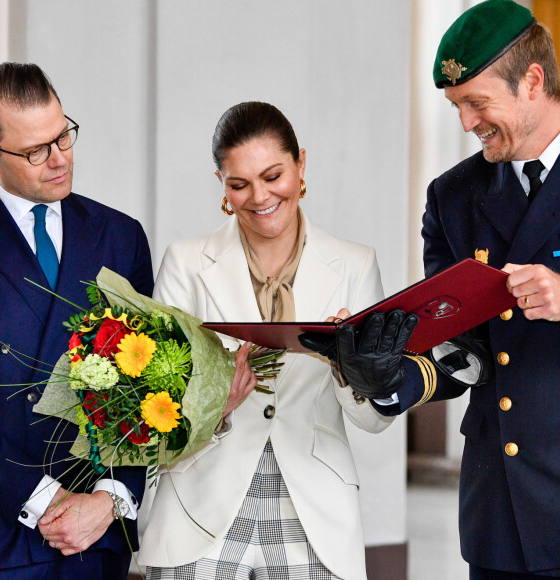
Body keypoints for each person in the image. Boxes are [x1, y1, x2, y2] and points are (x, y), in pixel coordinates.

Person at [305, 1, 560, 578]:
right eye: (456, 107)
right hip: (504, 510)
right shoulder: (453, 196)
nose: (466, 124)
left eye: (477, 103)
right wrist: (387, 375)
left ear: (534, 81)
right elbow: (462, 349)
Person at [137, 101, 396, 580]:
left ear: (300, 164)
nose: (259, 196)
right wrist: (216, 406)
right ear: (222, 184)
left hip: (315, 506)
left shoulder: (356, 265)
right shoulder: (186, 263)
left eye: (273, 175)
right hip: (200, 501)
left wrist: (351, 368)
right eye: (239, 184)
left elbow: (372, 419)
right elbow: (156, 409)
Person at [0, 62, 154, 579]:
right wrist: (42, 498)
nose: (59, 160)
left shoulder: (121, 236)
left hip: (98, 539)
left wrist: (112, 496)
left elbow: (150, 387)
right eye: (35, 150)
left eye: (63, 137)